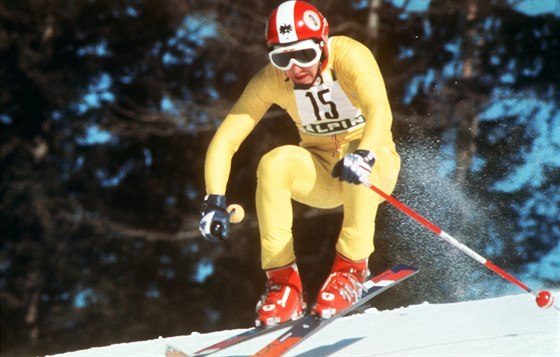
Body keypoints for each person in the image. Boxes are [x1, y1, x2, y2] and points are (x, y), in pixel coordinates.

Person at [199, 0, 400, 327]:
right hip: (321, 172)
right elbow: (226, 139)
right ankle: (284, 285)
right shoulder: (271, 80)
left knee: (353, 150)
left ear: (322, 43)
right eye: (281, 58)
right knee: (274, 163)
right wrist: (213, 200)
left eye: (304, 54)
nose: (295, 67)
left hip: (372, 165)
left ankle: (351, 268)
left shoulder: (349, 55)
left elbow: (380, 110)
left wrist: (365, 154)